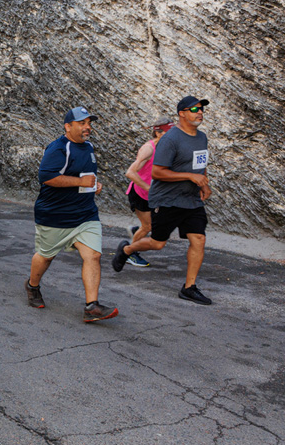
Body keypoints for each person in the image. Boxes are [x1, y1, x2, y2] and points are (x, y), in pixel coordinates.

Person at [112, 96, 213, 305]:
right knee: (157, 243)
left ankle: (189, 287)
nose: (200, 112)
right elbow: (157, 172)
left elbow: (200, 164)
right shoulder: (170, 139)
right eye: (194, 109)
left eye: (201, 109)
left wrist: (203, 183)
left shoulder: (202, 138)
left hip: (191, 200)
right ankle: (127, 250)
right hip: (168, 200)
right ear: (182, 114)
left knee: (199, 239)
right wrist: (190, 176)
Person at [24, 106, 118, 323]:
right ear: (68, 126)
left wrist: (94, 185)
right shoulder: (58, 148)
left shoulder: (89, 147)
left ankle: (91, 306)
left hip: (85, 215)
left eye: (89, 123)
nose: (88, 127)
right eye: (82, 123)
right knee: (45, 256)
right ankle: (32, 286)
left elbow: (86, 176)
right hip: (55, 216)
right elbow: (46, 177)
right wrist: (80, 182)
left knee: (93, 255)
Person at [123, 117, 174, 267]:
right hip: (140, 193)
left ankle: (137, 231)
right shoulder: (149, 149)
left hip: (155, 195)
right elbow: (130, 173)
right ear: (158, 133)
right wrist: (148, 188)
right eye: (169, 133)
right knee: (148, 226)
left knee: (162, 222)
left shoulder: (168, 148)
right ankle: (129, 254)